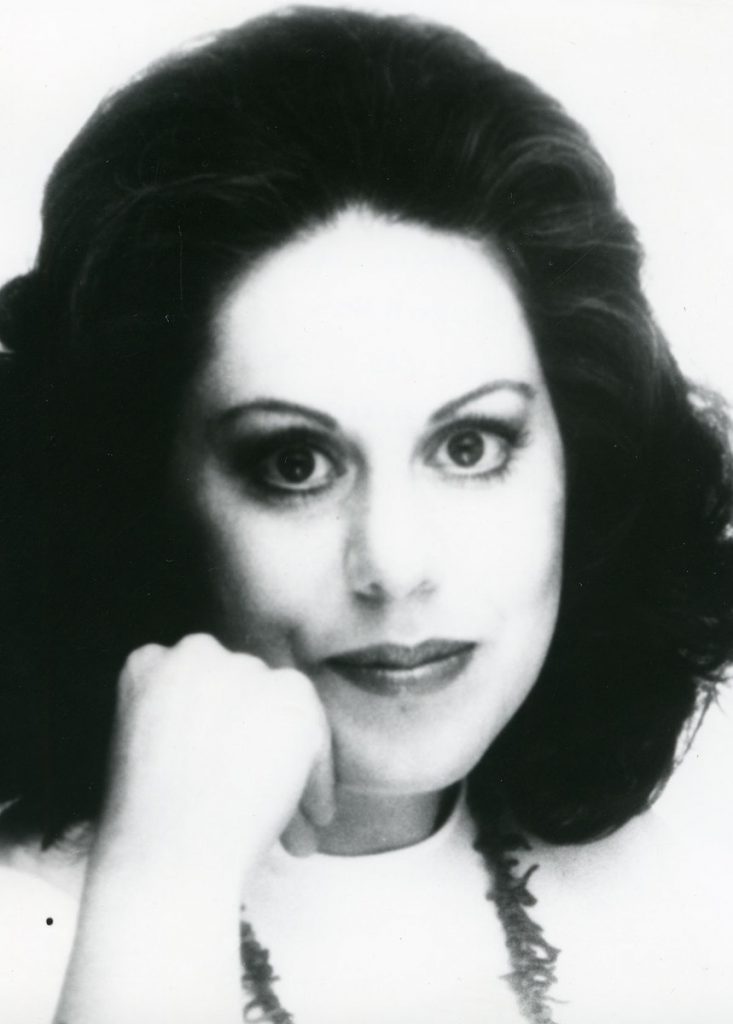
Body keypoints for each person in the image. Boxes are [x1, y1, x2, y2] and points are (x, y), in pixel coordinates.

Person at [0, 6, 732, 1022]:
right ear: (145, 495)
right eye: (294, 463)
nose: (392, 561)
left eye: (470, 446)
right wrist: (162, 885)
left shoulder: (691, 893)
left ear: (584, 462)